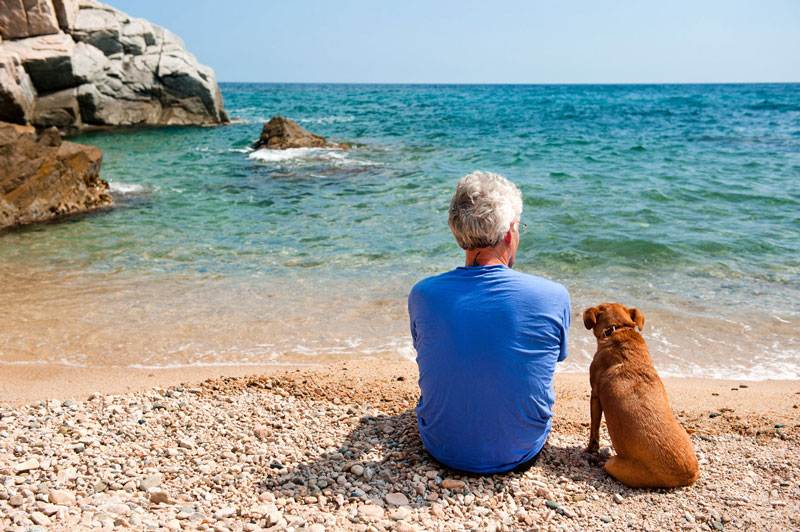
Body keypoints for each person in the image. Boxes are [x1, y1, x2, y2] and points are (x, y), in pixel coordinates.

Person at [408, 171, 571, 474]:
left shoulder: (423, 294)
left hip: (442, 446)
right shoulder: (552, 295)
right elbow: (549, 362)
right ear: (509, 233)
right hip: (520, 449)